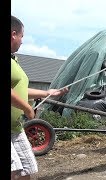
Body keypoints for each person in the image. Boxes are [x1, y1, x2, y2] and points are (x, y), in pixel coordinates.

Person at [11, 15, 68, 180]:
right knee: (13, 172)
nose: (22, 41)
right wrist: (27, 108)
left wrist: (48, 92)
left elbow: (19, 89)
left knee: (26, 169)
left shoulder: (14, 61)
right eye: (22, 37)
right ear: (13, 34)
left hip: (15, 127)